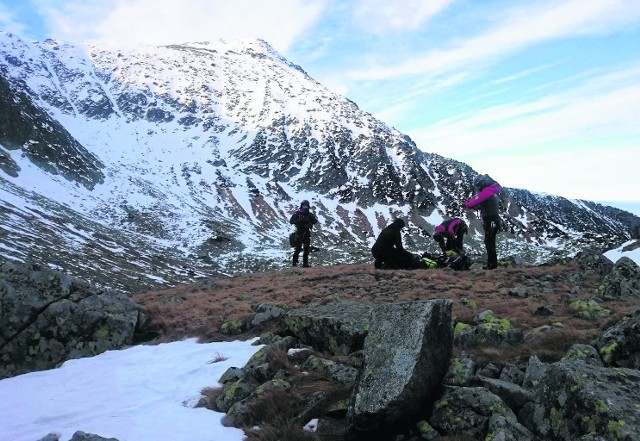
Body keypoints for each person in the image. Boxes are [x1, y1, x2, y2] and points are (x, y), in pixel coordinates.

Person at [464, 174, 502, 270]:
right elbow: (484, 204)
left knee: (489, 243)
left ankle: (492, 266)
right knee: (490, 242)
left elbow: (474, 202)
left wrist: (466, 204)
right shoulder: (492, 192)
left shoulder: (486, 192)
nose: (477, 188)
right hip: (493, 220)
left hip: (490, 220)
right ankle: (492, 265)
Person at [289, 200, 318, 267]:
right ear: (301, 206)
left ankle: (305, 263)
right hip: (299, 233)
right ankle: (294, 263)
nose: (305, 207)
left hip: (307, 233)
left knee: (306, 249)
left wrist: (311, 217)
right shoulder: (297, 214)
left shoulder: (309, 214)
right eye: (304, 206)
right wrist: (299, 220)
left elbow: (315, 221)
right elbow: (291, 221)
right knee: (298, 249)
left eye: (306, 206)